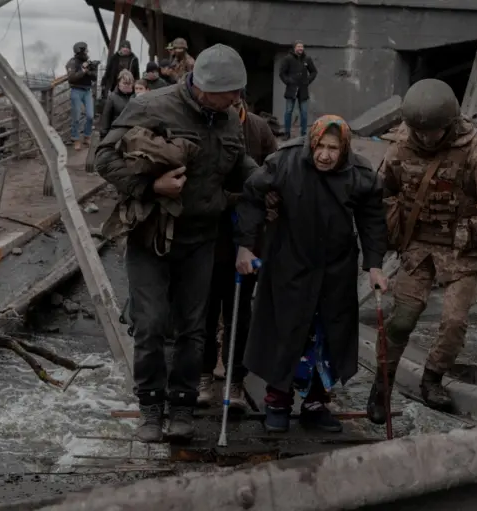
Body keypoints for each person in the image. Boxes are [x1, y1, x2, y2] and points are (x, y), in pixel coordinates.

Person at [94, 43, 257, 443]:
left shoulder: (228, 118)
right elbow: (103, 158)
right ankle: (151, 404)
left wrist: (272, 178)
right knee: (150, 325)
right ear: (203, 88)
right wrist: (152, 185)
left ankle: (182, 404)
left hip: (201, 238)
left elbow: (238, 167)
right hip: (152, 235)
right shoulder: (154, 106)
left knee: (193, 328)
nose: (238, 100)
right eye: (231, 93)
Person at [367, 79, 477, 421]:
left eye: (432, 132)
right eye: (418, 131)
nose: (424, 138)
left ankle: (433, 377)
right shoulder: (400, 148)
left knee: (453, 323)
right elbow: (375, 196)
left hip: (462, 250)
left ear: (449, 124)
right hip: (417, 248)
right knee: (401, 321)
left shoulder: (476, 153)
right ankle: (382, 386)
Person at [235, 115, 388, 433]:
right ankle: (277, 401)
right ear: (311, 143)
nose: (325, 155)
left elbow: (372, 218)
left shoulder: (358, 173)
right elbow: (251, 195)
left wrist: (374, 265)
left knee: (327, 335)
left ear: (343, 148)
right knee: (287, 330)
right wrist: (247, 246)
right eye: (320, 146)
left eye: (333, 148)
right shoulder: (285, 162)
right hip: (290, 262)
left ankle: (316, 403)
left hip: (336, 269)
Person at [199, 89, 278, 411]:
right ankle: (203, 375)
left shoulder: (258, 129)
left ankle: (235, 379)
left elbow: (272, 170)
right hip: (208, 233)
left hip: (247, 236)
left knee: (240, 313)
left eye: (235, 101)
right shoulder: (206, 124)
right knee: (203, 313)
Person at [278, 40, 317, 140]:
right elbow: (282, 73)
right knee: (288, 111)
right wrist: (289, 81)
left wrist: (307, 81)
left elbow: (314, 71)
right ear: (294, 48)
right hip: (291, 89)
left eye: (302, 47)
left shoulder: (307, 59)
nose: (301, 48)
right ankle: (287, 134)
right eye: (299, 46)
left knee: (304, 113)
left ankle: (304, 134)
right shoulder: (288, 59)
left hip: (303, 90)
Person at [66, 42, 97, 151]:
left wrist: (89, 70)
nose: (87, 52)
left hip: (87, 90)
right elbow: (71, 78)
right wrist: (82, 71)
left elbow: (95, 77)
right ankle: (76, 138)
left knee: (90, 115)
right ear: (81, 51)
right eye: (85, 50)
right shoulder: (72, 62)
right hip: (76, 90)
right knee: (77, 116)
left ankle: (87, 135)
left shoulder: (88, 62)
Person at [99, 70, 134, 139]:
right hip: (116, 133)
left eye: (129, 84)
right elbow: (106, 117)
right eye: (124, 83)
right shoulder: (112, 98)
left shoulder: (136, 97)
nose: (127, 86)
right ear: (119, 83)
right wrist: (104, 135)